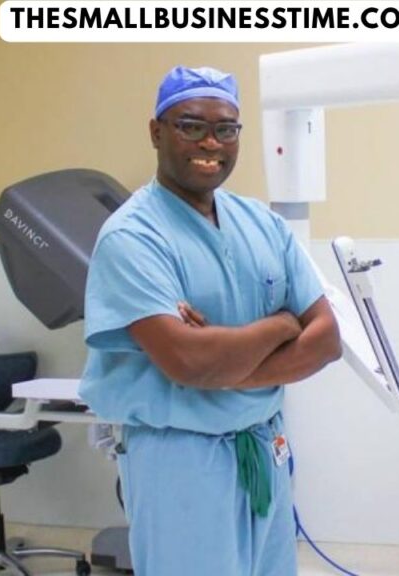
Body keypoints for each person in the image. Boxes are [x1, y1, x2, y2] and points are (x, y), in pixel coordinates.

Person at [79, 65, 342, 575]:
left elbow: (327, 340)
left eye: (225, 129)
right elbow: (190, 361)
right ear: (156, 132)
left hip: (263, 446)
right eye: (191, 125)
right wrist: (281, 326)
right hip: (181, 460)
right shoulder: (133, 236)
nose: (210, 142)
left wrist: (224, 366)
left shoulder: (262, 223)